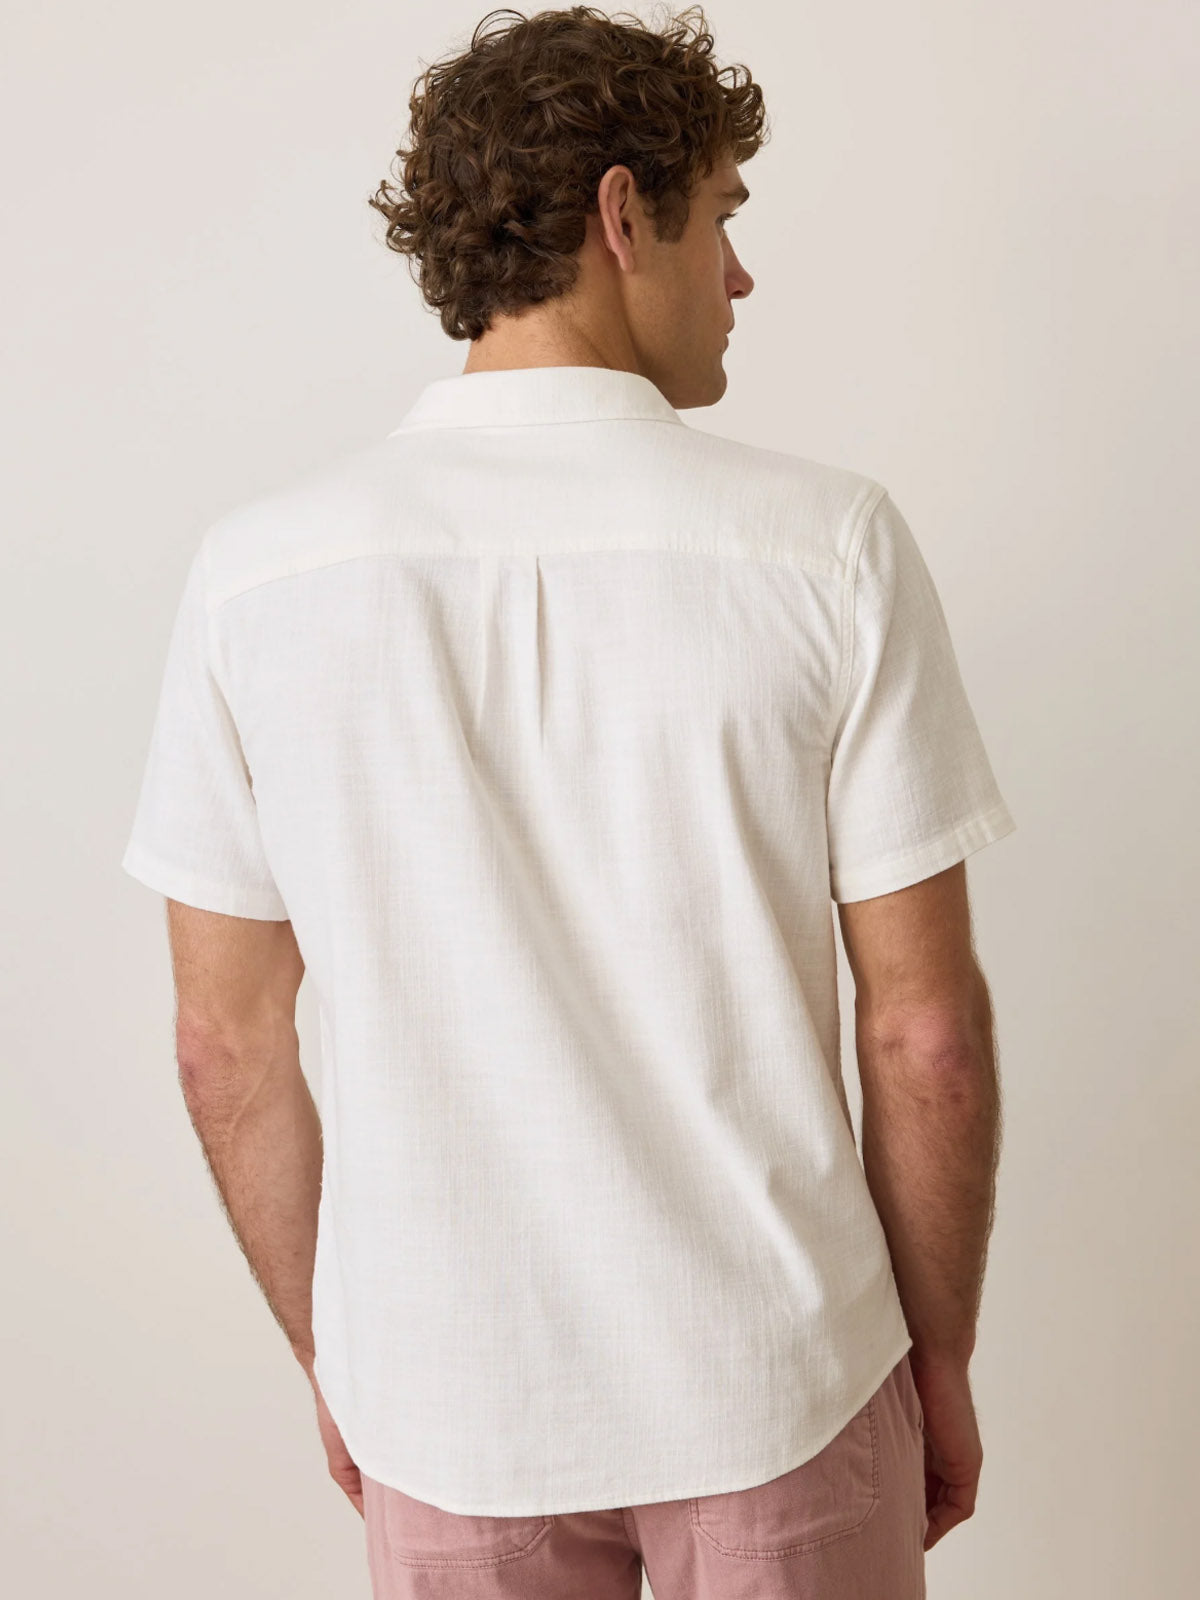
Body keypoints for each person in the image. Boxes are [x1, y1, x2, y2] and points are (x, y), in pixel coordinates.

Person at [120, 6, 1017, 1597]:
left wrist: (343, 1359)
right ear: (624, 215)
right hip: (783, 1384)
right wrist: (935, 1360)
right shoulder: (827, 548)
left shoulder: (260, 576)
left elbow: (225, 1047)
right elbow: (922, 1035)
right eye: (725, 217)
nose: (741, 277)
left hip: (449, 1409)